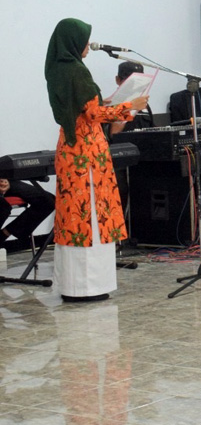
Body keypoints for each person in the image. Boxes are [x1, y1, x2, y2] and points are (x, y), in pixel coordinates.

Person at [44, 18, 148, 301]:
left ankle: (72, 285)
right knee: (90, 214)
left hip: (69, 148)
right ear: (74, 42)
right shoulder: (76, 71)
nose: (88, 45)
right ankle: (90, 287)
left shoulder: (56, 68)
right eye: (85, 40)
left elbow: (81, 109)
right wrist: (130, 106)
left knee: (73, 214)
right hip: (86, 154)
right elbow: (94, 115)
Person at [1, 178, 55, 253]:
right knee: (3, 207)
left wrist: (4, 178)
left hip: (7, 178)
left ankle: (3, 235)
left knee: (48, 201)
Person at [108, 61, 154, 136]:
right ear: (118, 80)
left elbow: (152, 129)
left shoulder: (144, 105)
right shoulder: (110, 105)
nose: (135, 86)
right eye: (130, 82)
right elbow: (109, 136)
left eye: (139, 81)